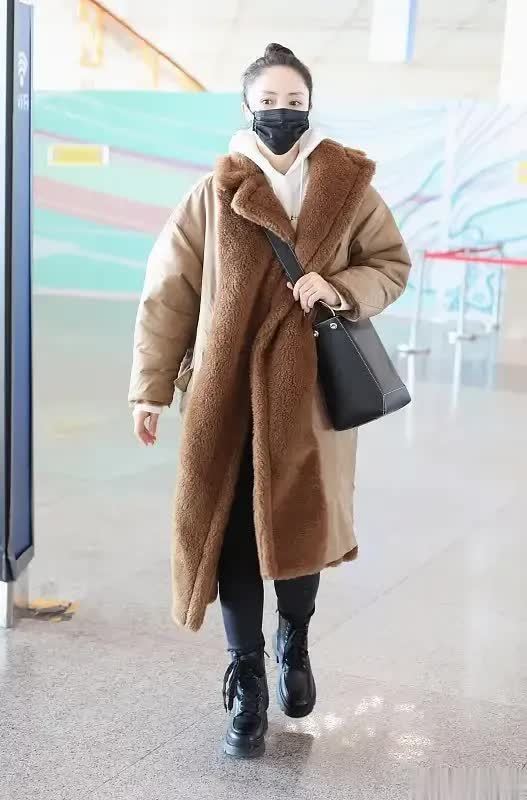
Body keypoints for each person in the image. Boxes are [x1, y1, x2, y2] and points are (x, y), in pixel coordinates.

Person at [128, 43, 411, 759]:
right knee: (229, 531)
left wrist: (338, 287)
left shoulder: (346, 185)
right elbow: (169, 293)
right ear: (246, 107)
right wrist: (150, 390)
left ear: (309, 106)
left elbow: (390, 263)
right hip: (226, 391)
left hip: (308, 392)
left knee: (298, 520)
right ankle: (247, 677)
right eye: (269, 102)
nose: (281, 113)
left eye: (293, 102)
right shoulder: (212, 193)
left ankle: (294, 637)